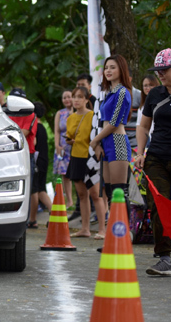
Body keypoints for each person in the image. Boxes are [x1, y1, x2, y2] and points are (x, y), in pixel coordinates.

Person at [135, 49, 171, 275]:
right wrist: (141, 152)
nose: (160, 75)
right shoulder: (155, 94)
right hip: (157, 156)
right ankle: (163, 258)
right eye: (157, 71)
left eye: (164, 70)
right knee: (159, 204)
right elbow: (143, 126)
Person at [90, 55, 132, 216]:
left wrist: (94, 141)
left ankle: (125, 235)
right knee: (109, 192)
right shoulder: (109, 93)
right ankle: (114, 234)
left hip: (117, 142)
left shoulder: (122, 92)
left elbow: (114, 123)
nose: (108, 70)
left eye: (112, 67)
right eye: (106, 67)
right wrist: (99, 143)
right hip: (106, 142)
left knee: (119, 192)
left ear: (121, 70)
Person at [65, 87, 106, 239]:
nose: (76, 100)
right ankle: (85, 229)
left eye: (80, 97)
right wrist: (69, 140)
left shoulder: (93, 115)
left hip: (90, 158)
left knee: (96, 195)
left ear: (87, 99)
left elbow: (97, 135)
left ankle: (102, 230)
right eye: (74, 96)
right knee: (82, 195)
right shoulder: (70, 117)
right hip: (76, 157)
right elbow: (69, 137)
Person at [6, 88, 39, 228]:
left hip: (26, 154)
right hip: (6, 153)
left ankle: (24, 221)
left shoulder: (30, 114)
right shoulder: (4, 112)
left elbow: (22, 133)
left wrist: (5, 136)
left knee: (26, 188)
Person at [31, 102, 52, 222]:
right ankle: (54, 213)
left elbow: (33, 143)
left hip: (37, 162)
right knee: (41, 189)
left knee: (38, 191)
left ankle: (53, 213)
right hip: (43, 161)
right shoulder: (42, 127)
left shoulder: (35, 127)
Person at [53, 89, 73, 208]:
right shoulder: (59, 113)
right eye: (64, 97)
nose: (67, 99)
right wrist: (57, 145)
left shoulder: (77, 112)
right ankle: (69, 200)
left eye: (69, 97)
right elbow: (56, 130)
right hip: (62, 147)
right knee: (65, 175)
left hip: (74, 146)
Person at [136, 75, 159, 146]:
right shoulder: (142, 107)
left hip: (158, 139)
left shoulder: (161, 103)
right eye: (145, 86)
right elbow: (139, 126)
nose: (148, 88)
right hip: (146, 139)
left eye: (151, 85)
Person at [124, 66, 141, 150]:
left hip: (135, 142)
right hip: (119, 142)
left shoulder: (139, 95)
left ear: (129, 79)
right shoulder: (112, 96)